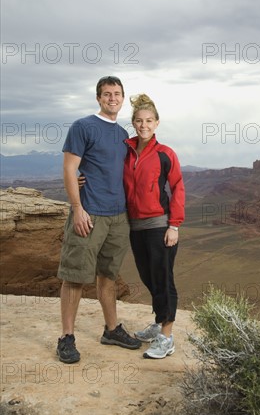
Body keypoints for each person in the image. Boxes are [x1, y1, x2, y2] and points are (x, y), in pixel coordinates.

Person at [56, 76, 141, 364]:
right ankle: (66, 337)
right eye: (107, 94)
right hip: (89, 213)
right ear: (98, 98)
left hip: (118, 217)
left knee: (108, 276)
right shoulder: (83, 126)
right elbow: (70, 169)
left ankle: (112, 329)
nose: (113, 98)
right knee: (75, 276)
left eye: (117, 94)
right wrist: (77, 207)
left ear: (122, 98)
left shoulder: (122, 134)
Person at [124, 94, 185, 359]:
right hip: (136, 226)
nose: (144, 125)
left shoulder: (165, 154)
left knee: (163, 279)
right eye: (139, 121)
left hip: (159, 225)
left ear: (157, 123)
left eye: (149, 120)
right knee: (148, 277)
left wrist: (174, 225)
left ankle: (167, 336)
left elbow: (178, 188)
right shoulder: (126, 151)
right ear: (133, 123)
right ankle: (159, 322)